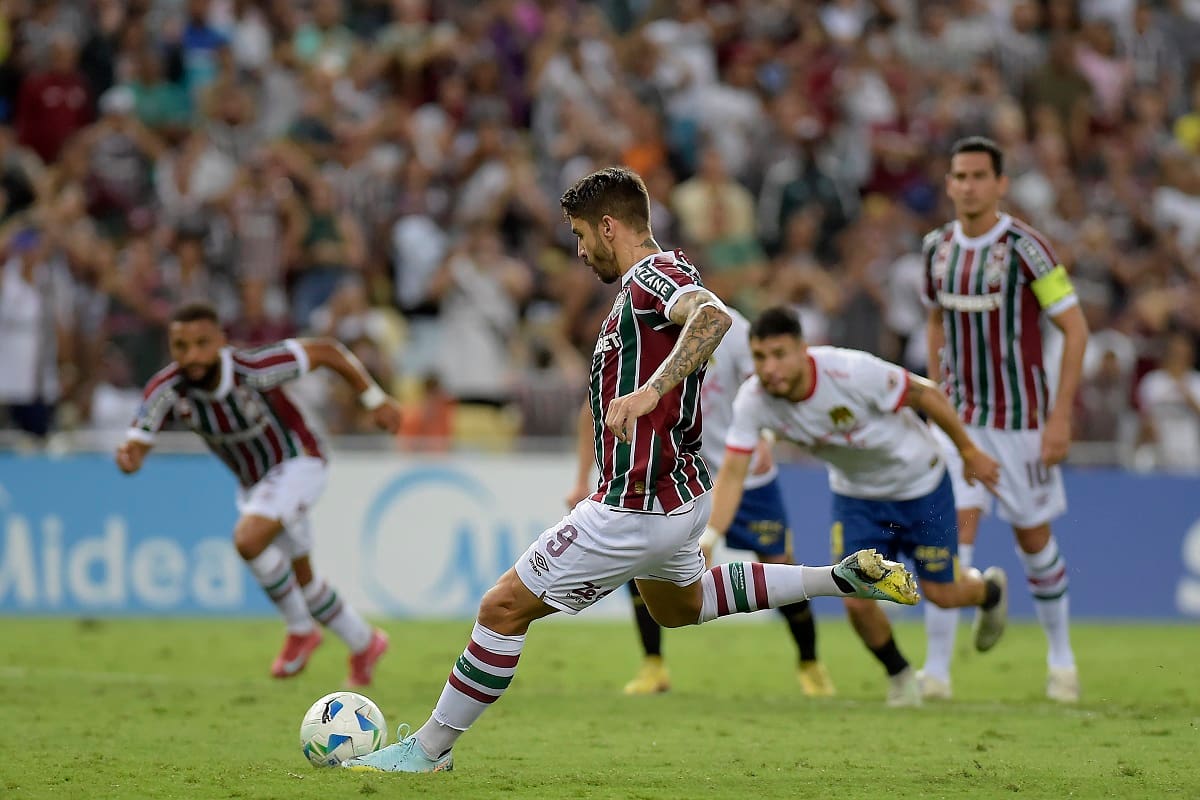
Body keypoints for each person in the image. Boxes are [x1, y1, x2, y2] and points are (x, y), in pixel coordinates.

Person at [344, 166, 918, 774]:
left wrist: (650, 392)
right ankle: (840, 578)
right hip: (676, 497)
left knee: (502, 609)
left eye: (580, 234)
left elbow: (714, 317)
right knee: (679, 606)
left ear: (609, 226)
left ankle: (428, 751)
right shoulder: (638, 291)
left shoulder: (654, 274)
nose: (579, 249)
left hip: (636, 504)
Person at [706, 306, 1008, 706]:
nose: (770, 368)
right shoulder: (755, 400)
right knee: (854, 592)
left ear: (803, 350)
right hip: (857, 498)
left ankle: (988, 592)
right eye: (760, 357)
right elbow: (731, 472)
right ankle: (900, 675)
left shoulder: (849, 371)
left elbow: (925, 393)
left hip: (921, 485)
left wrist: (968, 451)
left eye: (780, 354)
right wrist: (711, 536)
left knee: (943, 593)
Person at [115, 301, 400, 686]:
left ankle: (300, 631)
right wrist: (130, 455)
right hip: (255, 485)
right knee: (305, 581)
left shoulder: (255, 370)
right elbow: (138, 437)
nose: (192, 356)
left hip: (300, 462)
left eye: (202, 343)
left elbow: (328, 352)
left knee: (248, 540)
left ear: (221, 341)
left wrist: (374, 400)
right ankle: (364, 643)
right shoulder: (168, 388)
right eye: (181, 346)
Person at [565, 307, 833, 697]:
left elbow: (767, 387)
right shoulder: (635, 332)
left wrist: (767, 438)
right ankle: (653, 665)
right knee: (640, 559)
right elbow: (596, 405)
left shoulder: (736, 329)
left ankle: (810, 663)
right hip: (673, 474)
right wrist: (580, 479)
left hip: (741, 474)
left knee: (778, 563)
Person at [921, 136, 1090, 703]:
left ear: (1000, 184)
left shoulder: (1028, 249)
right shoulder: (936, 249)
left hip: (1022, 424)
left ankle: (1061, 663)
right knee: (951, 542)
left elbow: (1075, 328)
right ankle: (938, 674)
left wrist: (1060, 417)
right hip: (962, 424)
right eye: (959, 176)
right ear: (948, 184)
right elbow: (936, 322)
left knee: (1034, 540)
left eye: (978, 176)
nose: (967, 185)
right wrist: (936, 392)